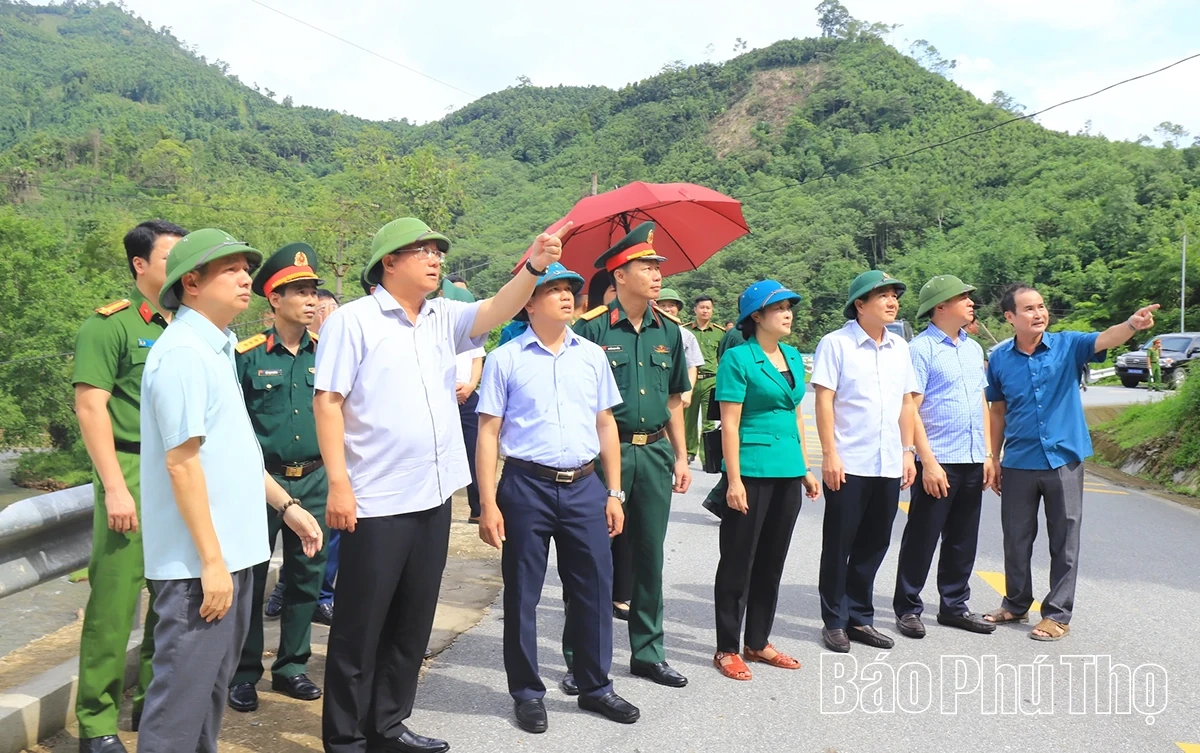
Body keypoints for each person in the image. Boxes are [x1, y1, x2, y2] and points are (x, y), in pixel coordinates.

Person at [315, 217, 570, 753]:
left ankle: (387, 726)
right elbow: (329, 402)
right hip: (375, 498)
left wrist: (536, 265)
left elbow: (498, 309)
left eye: (438, 251)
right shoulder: (354, 321)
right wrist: (338, 482)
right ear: (389, 261)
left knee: (412, 622)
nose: (436, 259)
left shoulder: (440, 316)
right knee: (360, 628)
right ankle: (344, 740)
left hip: (433, 495)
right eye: (423, 251)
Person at [136, 228, 323, 753]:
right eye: (231, 270)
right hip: (202, 570)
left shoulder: (214, 350)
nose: (246, 278)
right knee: (177, 713)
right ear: (191, 283)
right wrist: (211, 561)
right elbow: (182, 463)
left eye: (246, 268)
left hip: (233, 558)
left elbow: (236, 455)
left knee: (206, 706)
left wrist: (287, 507)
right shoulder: (183, 356)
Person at [476, 262, 639, 733]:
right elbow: (488, 433)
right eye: (553, 290)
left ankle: (595, 686)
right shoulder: (505, 359)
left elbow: (605, 424)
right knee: (524, 593)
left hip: (586, 486)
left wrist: (613, 491)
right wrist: (488, 502)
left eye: (570, 289)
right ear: (529, 301)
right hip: (526, 487)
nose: (567, 296)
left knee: (594, 588)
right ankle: (527, 692)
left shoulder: (590, 355)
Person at [983, 284, 1157, 641]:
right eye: (1029, 309)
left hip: (1064, 458)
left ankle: (1057, 614)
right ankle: (1015, 604)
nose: (1039, 313)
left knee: (1064, 539)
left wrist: (1132, 324)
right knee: (1016, 538)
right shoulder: (1000, 359)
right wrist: (994, 457)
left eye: (1042, 306)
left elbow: (1105, 339)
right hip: (1018, 460)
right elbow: (997, 411)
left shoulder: (1067, 345)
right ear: (1010, 317)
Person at [562, 221, 692, 693]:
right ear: (619, 275)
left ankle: (648, 653)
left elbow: (676, 398)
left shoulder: (670, 332)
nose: (657, 274)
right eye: (646, 266)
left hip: (654, 453)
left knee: (648, 556)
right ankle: (581, 659)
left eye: (658, 266)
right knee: (591, 558)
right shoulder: (589, 329)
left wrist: (680, 455)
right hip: (601, 457)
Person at [72, 220, 185, 753]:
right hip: (132, 470)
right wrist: (114, 488)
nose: (183, 269)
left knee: (170, 599)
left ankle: (150, 708)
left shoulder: (189, 326)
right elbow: (91, 407)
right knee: (116, 603)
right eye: (171, 259)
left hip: (179, 472)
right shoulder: (111, 326)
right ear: (140, 265)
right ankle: (96, 724)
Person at [227, 243, 330, 713]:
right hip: (259, 482)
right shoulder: (245, 357)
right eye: (299, 291)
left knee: (307, 576)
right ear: (273, 299)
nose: (310, 300)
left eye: (313, 291)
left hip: (314, 478)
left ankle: (291, 667)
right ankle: (244, 671)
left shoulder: (325, 354)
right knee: (250, 579)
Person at [711, 281, 819, 681]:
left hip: (787, 469)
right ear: (756, 317)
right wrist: (733, 480)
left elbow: (795, 415)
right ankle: (727, 647)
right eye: (779, 308)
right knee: (738, 562)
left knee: (772, 562)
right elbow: (731, 424)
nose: (788, 313)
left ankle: (758, 642)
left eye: (790, 306)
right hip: (751, 470)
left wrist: (805, 467)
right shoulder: (739, 359)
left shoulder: (792, 355)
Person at [812, 270, 917, 654]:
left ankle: (860, 618)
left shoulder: (900, 347)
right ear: (860, 304)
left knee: (874, 544)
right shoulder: (835, 344)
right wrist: (829, 455)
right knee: (839, 544)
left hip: (888, 462)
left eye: (895, 296)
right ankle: (835, 620)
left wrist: (908, 452)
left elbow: (907, 402)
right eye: (883, 296)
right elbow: (824, 400)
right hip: (848, 461)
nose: (893, 302)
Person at [893, 276, 997, 640]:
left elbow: (981, 404)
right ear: (940, 307)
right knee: (923, 534)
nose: (971, 302)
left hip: (971, 457)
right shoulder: (921, 349)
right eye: (962, 297)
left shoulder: (972, 349)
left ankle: (954, 605)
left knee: (963, 537)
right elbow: (911, 408)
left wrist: (986, 454)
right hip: (938, 459)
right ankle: (908, 607)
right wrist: (927, 461)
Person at [441, 277, 486, 522]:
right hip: (443, 397)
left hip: (468, 396)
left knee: (474, 450)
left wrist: (470, 387)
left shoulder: (472, 329)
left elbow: (477, 361)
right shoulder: (438, 325)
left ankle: (478, 508)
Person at [682, 295, 725, 464]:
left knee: (709, 421)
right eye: (702, 307)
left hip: (711, 380)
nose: (705, 310)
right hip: (690, 381)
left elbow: (721, 358)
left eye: (708, 308)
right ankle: (689, 451)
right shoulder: (685, 331)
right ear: (695, 310)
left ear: (712, 310)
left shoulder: (719, 333)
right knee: (689, 420)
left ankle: (707, 456)